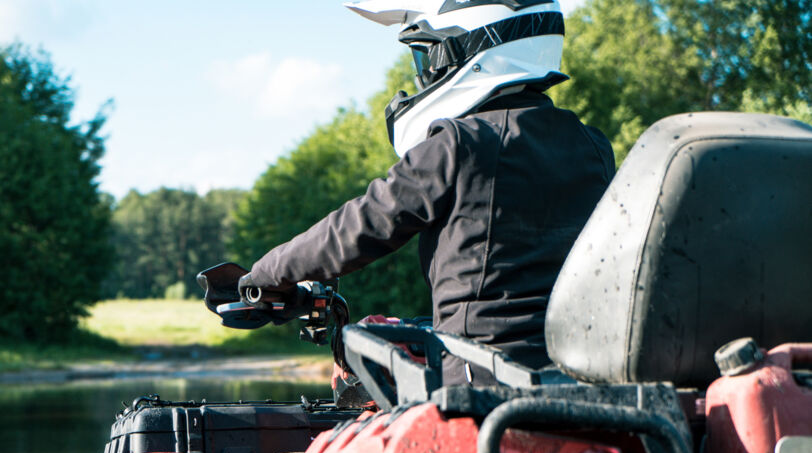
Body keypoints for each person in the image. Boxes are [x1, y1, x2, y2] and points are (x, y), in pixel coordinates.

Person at [239, 0, 615, 385]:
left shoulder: (459, 144)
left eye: (429, 59)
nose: (425, 76)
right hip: (577, 376)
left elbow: (360, 225)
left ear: (476, 50)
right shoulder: (593, 146)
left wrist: (266, 274)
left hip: (478, 380)